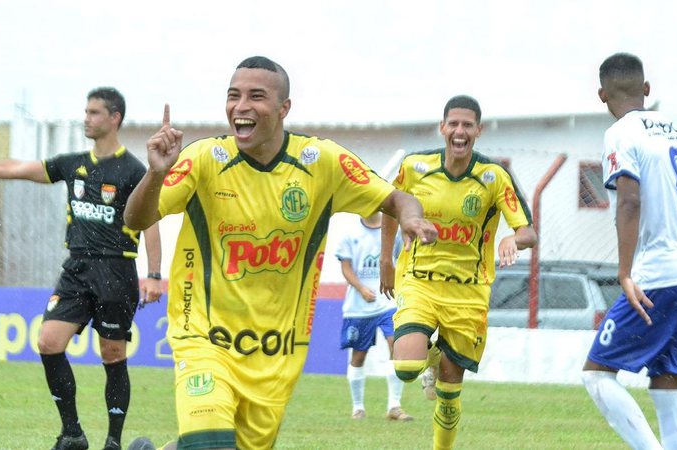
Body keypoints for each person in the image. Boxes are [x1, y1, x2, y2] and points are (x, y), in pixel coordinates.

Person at [123, 56, 437, 450]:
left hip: (276, 352)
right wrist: (155, 173)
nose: (241, 106)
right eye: (234, 96)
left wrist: (411, 217)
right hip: (203, 336)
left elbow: (395, 197)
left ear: (284, 108)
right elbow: (137, 219)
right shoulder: (203, 159)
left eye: (256, 96)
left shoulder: (322, 162)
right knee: (211, 444)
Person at [0, 87, 164, 450]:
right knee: (48, 341)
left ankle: (113, 441)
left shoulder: (133, 170)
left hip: (116, 271)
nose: (86, 118)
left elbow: (150, 219)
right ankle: (72, 432)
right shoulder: (72, 164)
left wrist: (153, 274)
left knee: (113, 354)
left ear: (114, 118)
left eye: (94, 112)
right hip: (76, 268)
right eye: (85, 111)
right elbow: (21, 169)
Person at [380, 95, 537, 449]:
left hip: (468, 292)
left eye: (468, 125)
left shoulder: (493, 177)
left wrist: (512, 239)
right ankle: (431, 358)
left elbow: (528, 231)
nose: (460, 131)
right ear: (442, 128)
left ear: (478, 131)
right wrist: (387, 261)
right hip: (420, 281)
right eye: (454, 124)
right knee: (406, 368)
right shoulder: (415, 166)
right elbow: (390, 208)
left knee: (449, 392)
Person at [581, 53, 677, 450]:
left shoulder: (621, 133)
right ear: (646, 89)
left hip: (659, 275)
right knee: (665, 385)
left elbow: (629, 199)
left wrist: (625, 273)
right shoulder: (676, 131)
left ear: (602, 95)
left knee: (596, 374)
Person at [336, 211, 411, 421]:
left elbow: (401, 259)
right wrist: (360, 288)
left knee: (396, 344)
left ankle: (394, 406)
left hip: (388, 301)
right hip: (359, 306)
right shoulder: (349, 233)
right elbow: (346, 267)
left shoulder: (391, 232)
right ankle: (358, 407)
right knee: (359, 356)